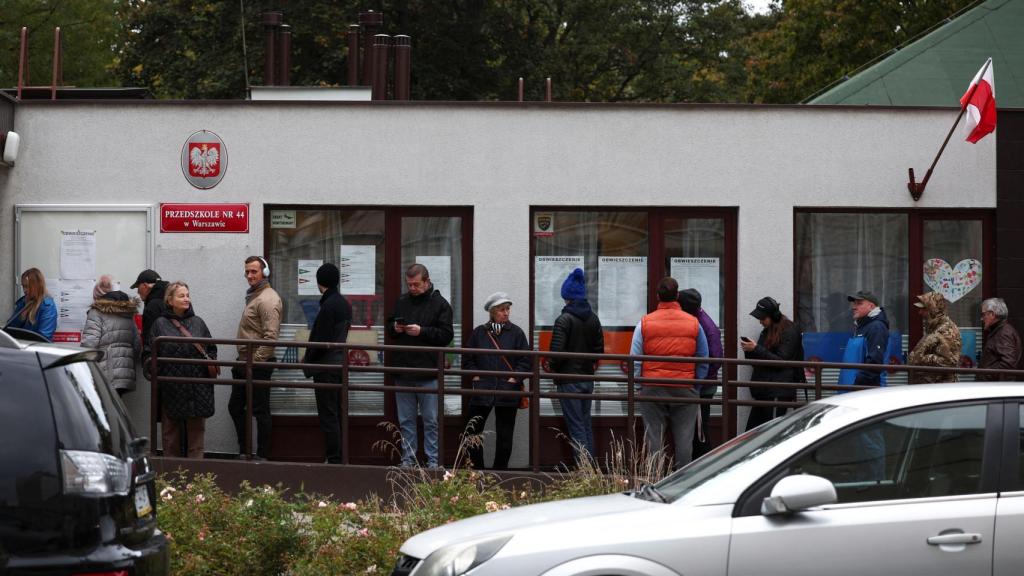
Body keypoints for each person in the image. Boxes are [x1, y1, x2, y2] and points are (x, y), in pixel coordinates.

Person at [632, 278, 709, 470]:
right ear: (677, 296)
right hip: (684, 388)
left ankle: (655, 478)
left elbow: (635, 356)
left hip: (652, 386)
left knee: (654, 437)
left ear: (658, 296)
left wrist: (639, 384)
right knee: (684, 439)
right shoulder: (693, 323)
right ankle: (682, 481)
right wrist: (695, 384)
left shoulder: (645, 323)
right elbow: (703, 357)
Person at [387, 263, 454, 468]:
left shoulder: (440, 304)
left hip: (428, 372)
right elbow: (389, 327)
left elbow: (446, 335)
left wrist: (422, 331)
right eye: (409, 285)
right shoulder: (402, 301)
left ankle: (433, 461)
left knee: (431, 421)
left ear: (427, 281)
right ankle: (409, 459)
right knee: (406, 421)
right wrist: (395, 328)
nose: (412, 289)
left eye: (416, 284)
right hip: (404, 370)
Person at [462, 292, 531, 470]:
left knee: (505, 435)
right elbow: (468, 360)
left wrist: (513, 378)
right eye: (502, 310)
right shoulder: (479, 333)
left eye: (508, 309)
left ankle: (500, 473)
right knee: (473, 432)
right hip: (482, 390)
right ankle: (476, 471)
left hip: (507, 391)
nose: (506, 313)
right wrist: (476, 376)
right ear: (492, 312)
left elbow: (526, 360)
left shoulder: (516, 333)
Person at [147, 281, 217, 458]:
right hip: (172, 387)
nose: (186, 299)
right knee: (171, 437)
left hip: (197, 386)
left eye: (187, 295)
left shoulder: (198, 322)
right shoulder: (159, 324)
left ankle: (197, 478)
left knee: (196, 435)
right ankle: (171, 477)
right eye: (181, 296)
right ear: (170, 300)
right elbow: (149, 353)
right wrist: (155, 371)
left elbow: (211, 349)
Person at [548, 267, 604, 464]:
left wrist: (551, 366)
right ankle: (591, 467)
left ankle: (584, 470)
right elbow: (599, 351)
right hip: (587, 379)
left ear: (567, 297)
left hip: (568, 380)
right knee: (585, 424)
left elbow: (556, 354)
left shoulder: (564, 319)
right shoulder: (593, 318)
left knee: (576, 426)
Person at [229, 256, 283, 460]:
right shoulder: (255, 296)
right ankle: (245, 451)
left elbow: (271, 337)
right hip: (245, 362)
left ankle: (261, 455)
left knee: (260, 410)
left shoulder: (268, 299)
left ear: (265, 273)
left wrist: (255, 362)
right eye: (247, 272)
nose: (249, 275)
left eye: (254, 271)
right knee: (236, 407)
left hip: (256, 363)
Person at [302, 263, 352, 464]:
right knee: (338, 412)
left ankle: (334, 458)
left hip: (326, 367)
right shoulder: (343, 304)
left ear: (319, 282)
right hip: (339, 364)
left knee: (328, 414)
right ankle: (341, 455)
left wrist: (308, 359)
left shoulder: (328, 306)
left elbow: (321, 341)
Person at [741, 296, 804, 430]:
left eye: (763, 318)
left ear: (773, 316)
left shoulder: (789, 331)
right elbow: (761, 358)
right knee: (752, 434)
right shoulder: (768, 330)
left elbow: (782, 361)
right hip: (764, 392)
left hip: (777, 392)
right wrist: (750, 350)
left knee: (771, 435)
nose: (760, 321)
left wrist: (756, 349)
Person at [678, 288, 723, 459]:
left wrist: (698, 379)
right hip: (702, 384)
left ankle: (703, 465)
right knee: (697, 428)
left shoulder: (703, 325)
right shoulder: (701, 319)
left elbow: (716, 357)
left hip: (702, 387)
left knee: (699, 431)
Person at [81, 277, 141, 395]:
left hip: (104, 372)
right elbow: (137, 344)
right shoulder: (128, 313)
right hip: (125, 373)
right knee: (115, 406)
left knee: (102, 409)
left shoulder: (96, 313)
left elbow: (90, 344)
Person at [908, 292, 962, 384]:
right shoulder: (934, 327)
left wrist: (922, 358)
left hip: (940, 389)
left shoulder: (947, 330)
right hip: (929, 387)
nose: (920, 312)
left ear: (933, 310)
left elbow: (950, 362)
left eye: (923, 309)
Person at [846, 290, 890, 386]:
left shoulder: (876, 327)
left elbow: (875, 362)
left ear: (871, 306)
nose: (854, 307)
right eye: (854, 304)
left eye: (859, 304)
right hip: (855, 387)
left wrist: (857, 382)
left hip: (866, 390)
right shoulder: (862, 325)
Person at [132, 269, 169, 371]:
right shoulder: (172, 298)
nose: (138, 292)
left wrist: (147, 360)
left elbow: (150, 336)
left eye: (138, 288)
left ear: (144, 286)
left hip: (161, 363)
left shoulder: (153, 305)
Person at [5, 268, 57, 340]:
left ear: (37, 286)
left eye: (27, 286)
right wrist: (21, 317)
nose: (24, 290)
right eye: (23, 286)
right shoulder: (23, 302)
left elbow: (44, 337)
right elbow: (9, 328)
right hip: (21, 347)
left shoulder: (47, 306)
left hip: (37, 349)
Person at [978, 297, 1022, 381]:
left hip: (995, 388)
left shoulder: (1003, 333)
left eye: (983, 314)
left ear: (992, 314)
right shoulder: (1000, 330)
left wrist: (986, 377)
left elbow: (1008, 364)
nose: (982, 318)